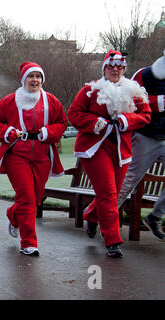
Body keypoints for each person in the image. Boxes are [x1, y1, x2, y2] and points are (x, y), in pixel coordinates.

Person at [68, 50, 151, 257]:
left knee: (112, 194)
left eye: (120, 67)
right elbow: (74, 114)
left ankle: (91, 215)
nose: (115, 70)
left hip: (121, 149)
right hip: (95, 148)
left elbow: (145, 115)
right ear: (104, 68)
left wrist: (126, 120)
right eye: (111, 66)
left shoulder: (134, 90)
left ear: (124, 69)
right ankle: (112, 241)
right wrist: (94, 123)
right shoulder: (90, 90)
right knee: (108, 193)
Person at [0, 61, 67, 256]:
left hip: (42, 155)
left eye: (38, 76)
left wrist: (49, 132)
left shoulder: (51, 101)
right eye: (31, 76)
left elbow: (62, 123)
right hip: (17, 154)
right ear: (24, 79)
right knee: (27, 197)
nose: (35, 80)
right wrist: (8, 131)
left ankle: (14, 215)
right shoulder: (10, 100)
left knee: (36, 198)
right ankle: (28, 242)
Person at [117, 51, 165, 241]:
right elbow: (130, 102)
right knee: (128, 181)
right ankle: (99, 216)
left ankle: (155, 216)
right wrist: (160, 102)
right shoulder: (145, 75)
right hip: (145, 135)